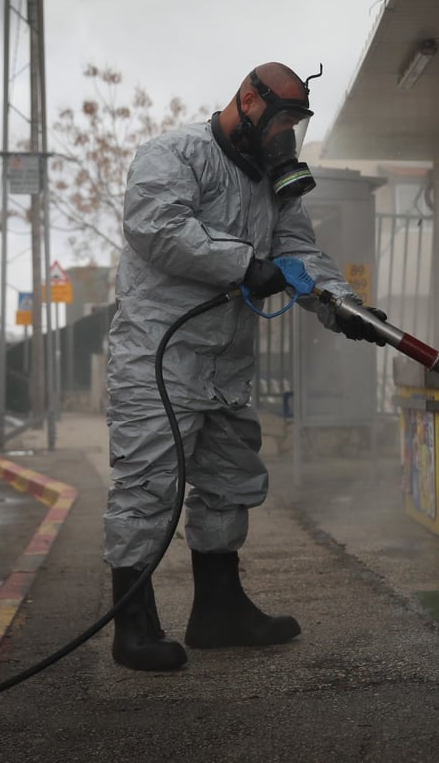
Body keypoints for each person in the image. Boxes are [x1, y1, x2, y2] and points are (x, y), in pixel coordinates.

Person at [104, 62, 383, 671]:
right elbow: (158, 227)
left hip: (226, 361)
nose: (287, 137)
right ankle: (134, 628)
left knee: (229, 483)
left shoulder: (269, 184)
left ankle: (219, 612)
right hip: (160, 353)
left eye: (296, 125)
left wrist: (343, 306)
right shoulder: (173, 154)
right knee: (148, 486)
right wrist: (242, 264)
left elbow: (298, 253)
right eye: (281, 120)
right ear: (249, 102)